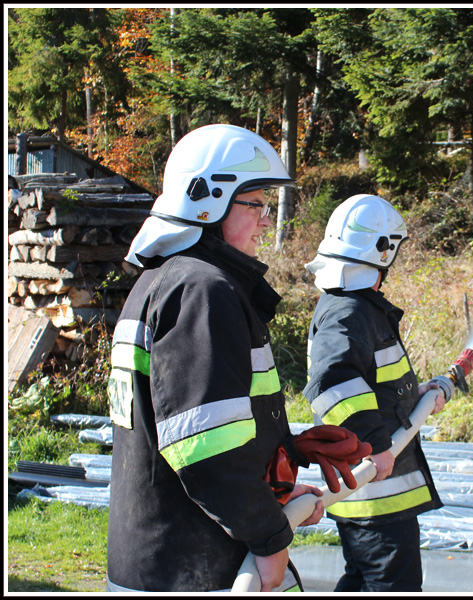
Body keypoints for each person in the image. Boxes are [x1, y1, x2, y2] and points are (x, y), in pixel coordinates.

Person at [105, 124, 369, 592]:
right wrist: (269, 539)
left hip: (162, 560)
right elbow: (208, 450)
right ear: (207, 201)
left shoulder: (162, 283)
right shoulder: (202, 291)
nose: (266, 221)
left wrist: (282, 453)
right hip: (201, 569)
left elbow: (194, 423)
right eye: (256, 205)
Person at [302, 194, 448, 592]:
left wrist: (412, 395)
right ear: (384, 251)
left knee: (362, 582)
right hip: (374, 498)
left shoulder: (354, 307)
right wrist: (373, 444)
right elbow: (332, 384)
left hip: (378, 497)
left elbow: (367, 381)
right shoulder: (349, 311)